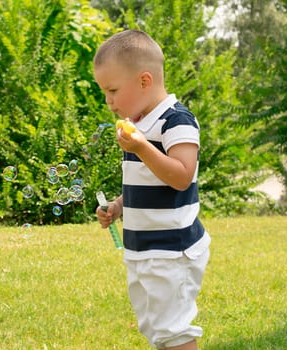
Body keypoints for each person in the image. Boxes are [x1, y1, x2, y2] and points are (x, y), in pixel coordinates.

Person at [93, 29, 211, 350]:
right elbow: (146, 179)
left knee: (173, 329)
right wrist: (118, 206)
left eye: (113, 90)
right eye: (105, 92)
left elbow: (181, 176)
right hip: (143, 248)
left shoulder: (177, 121)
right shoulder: (140, 126)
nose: (109, 101)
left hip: (172, 249)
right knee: (155, 326)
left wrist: (143, 147)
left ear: (145, 81)